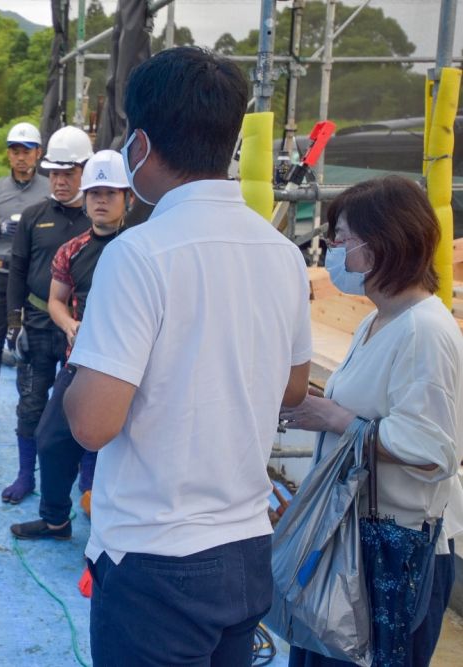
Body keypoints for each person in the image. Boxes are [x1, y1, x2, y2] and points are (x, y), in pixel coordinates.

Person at [62, 47, 312, 665]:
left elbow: (93, 425)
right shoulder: (281, 253)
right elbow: (294, 389)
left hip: (155, 559)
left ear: (141, 146)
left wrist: (78, 373)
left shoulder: (139, 254)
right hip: (247, 549)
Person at [280, 175, 463, 666]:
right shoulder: (378, 319)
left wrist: (336, 418)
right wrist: (315, 408)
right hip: (352, 536)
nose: (334, 252)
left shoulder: (425, 330)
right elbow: (369, 408)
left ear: (384, 244)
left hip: (390, 552)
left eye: (342, 240)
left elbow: (431, 450)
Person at [10, 150, 132, 539]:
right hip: (81, 363)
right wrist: (69, 325)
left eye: (109, 193)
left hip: (131, 369)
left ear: (127, 198)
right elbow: (56, 300)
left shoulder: (140, 249)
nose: (100, 200)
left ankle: (123, 531)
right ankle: (55, 518)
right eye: (95, 192)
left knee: (127, 448)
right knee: (51, 438)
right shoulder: (72, 249)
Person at [1, 126, 93, 504]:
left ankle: (87, 482)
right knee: (32, 401)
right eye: (53, 174)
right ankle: (26, 475)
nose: (58, 182)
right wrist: (13, 322)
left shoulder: (99, 219)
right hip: (40, 323)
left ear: (84, 172)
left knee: (86, 405)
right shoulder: (34, 217)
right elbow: (17, 271)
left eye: (67, 174)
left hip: (85, 329)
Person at [0, 122, 50, 420]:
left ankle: (32, 401)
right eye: (15, 151)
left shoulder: (49, 188)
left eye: (27, 152)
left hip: (35, 276)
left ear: (38, 154)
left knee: (37, 339)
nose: (21, 158)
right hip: (3, 275)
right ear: (8, 155)